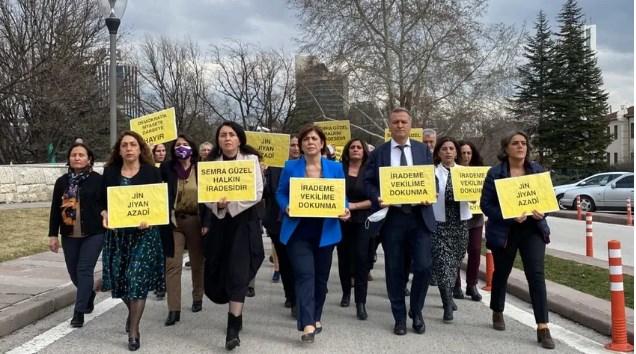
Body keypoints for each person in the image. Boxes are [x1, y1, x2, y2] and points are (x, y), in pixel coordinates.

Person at [364, 107, 436, 336]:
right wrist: (377, 197)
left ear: (410, 124)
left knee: (424, 267)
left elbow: (430, 178)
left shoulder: (423, 150)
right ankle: (399, 317)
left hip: (419, 217)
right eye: (395, 122)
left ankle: (416, 310)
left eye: (404, 121)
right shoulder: (379, 153)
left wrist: (429, 193)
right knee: (394, 269)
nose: (400, 125)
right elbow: (368, 182)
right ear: (389, 124)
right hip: (393, 218)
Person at [276, 124, 350, 343]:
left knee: (320, 279)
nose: (310, 142)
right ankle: (307, 322)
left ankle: (316, 317)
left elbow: (341, 195)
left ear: (322, 143)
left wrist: (345, 209)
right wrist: (286, 206)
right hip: (298, 231)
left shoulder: (335, 168)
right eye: (306, 139)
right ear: (301, 144)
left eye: (314, 139)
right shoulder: (290, 166)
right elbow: (280, 193)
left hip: (325, 231)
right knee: (304, 275)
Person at [480, 131, 554, 349]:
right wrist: (509, 215)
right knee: (502, 272)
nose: (521, 146)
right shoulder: (495, 173)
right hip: (506, 231)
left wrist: (544, 212)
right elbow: (486, 205)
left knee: (536, 275)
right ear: (506, 149)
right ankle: (497, 309)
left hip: (533, 229)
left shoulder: (537, 171)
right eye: (515, 143)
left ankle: (543, 327)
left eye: (524, 143)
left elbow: (546, 201)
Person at [202, 121, 264, 351]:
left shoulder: (251, 160)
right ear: (218, 140)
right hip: (220, 225)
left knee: (239, 273)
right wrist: (218, 206)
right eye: (222, 135)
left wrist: (232, 206)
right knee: (221, 268)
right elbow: (206, 195)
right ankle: (234, 313)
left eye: (231, 135)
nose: (227, 138)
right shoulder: (210, 164)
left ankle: (232, 326)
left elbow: (257, 192)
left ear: (239, 138)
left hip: (244, 223)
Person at [101, 131, 166, 351]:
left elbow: (159, 203)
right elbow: (103, 201)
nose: (129, 148)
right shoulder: (109, 172)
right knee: (120, 281)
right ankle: (133, 312)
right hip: (118, 236)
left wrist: (151, 219)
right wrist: (104, 214)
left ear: (140, 149)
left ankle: (134, 331)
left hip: (143, 235)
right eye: (124, 145)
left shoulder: (151, 172)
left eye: (133, 145)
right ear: (119, 150)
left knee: (135, 277)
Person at [48, 142, 104, 328]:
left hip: (93, 233)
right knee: (74, 273)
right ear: (69, 159)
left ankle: (78, 312)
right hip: (69, 233)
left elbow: (106, 204)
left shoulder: (98, 180)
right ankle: (88, 294)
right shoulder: (62, 182)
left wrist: (105, 213)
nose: (77, 158)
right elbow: (55, 211)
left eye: (81, 155)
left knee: (84, 270)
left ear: (89, 159)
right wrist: (52, 234)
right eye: (74, 155)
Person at [160, 135, 205, 326]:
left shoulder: (202, 168)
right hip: (174, 222)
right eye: (178, 145)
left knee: (197, 262)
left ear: (192, 148)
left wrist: (207, 223)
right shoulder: (167, 168)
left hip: (196, 221)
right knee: (172, 264)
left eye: (185, 144)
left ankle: (197, 297)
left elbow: (210, 196)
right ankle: (173, 309)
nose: (182, 147)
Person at [431, 137, 471, 323]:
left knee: (454, 263)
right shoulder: (432, 173)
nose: (448, 152)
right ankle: (447, 303)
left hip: (460, 225)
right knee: (442, 265)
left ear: (456, 152)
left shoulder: (465, 173)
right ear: (439, 153)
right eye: (444, 149)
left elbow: (478, 195)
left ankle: (448, 294)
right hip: (439, 225)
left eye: (451, 149)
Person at [263, 136, 301, 318]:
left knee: (299, 262)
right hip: (277, 222)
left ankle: (300, 299)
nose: (294, 148)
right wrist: (261, 173)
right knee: (285, 263)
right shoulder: (275, 167)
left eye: (297, 145)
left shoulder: (307, 167)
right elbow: (265, 193)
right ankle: (291, 296)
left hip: (301, 223)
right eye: (291, 145)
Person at [337, 138, 373, 320]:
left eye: (359, 147)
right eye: (352, 147)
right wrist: (343, 208)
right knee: (343, 259)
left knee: (361, 260)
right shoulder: (339, 169)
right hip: (341, 220)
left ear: (364, 151)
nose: (356, 150)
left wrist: (352, 207)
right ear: (347, 151)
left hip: (362, 221)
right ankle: (345, 293)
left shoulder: (369, 172)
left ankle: (361, 302)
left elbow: (374, 199)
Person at [454, 141, 485, 302]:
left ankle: (471, 285)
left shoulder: (480, 172)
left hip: (476, 218)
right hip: (458, 218)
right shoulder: (452, 171)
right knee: (458, 252)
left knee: (475, 250)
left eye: (469, 153)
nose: (466, 156)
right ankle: (456, 285)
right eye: (463, 153)